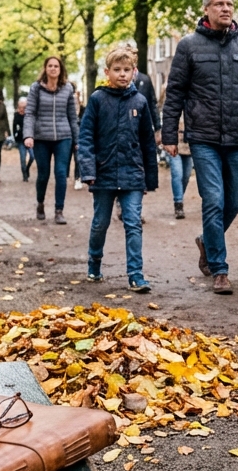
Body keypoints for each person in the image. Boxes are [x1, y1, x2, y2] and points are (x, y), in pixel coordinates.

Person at [161, 0, 238, 295]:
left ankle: (206, 241)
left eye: (230, 4)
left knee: (234, 202)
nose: (226, 9)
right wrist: (170, 134)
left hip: (237, 138)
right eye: (219, 4)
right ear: (206, 10)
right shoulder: (189, 46)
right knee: (213, 200)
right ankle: (220, 269)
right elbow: (174, 94)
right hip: (203, 137)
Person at [77, 47, 158, 292]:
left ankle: (135, 274)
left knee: (133, 223)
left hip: (133, 174)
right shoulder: (97, 99)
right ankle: (95, 262)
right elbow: (86, 137)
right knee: (100, 222)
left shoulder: (140, 102)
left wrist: (149, 179)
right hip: (103, 172)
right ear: (107, 72)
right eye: (117, 70)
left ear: (134, 72)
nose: (122, 75)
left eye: (127, 70)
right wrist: (88, 172)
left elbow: (148, 143)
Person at [24, 56, 79, 224]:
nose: (53, 68)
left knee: (61, 173)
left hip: (63, 137)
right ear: (45, 68)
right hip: (41, 137)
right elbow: (30, 113)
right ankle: (40, 203)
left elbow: (72, 116)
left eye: (56, 66)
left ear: (60, 69)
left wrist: (77, 140)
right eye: (50, 66)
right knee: (43, 174)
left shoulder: (68, 88)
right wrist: (28, 135)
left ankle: (59, 210)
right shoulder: (36, 88)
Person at [13, 97, 32, 182]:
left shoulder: (29, 115)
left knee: (32, 156)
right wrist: (16, 137)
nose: (22, 109)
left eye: (24, 107)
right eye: (20, 107)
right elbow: (14, 127)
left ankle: (27, 168)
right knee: (23, 158)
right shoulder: (16, 115)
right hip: (20, 140)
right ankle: (24, 175)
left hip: (29, 139)